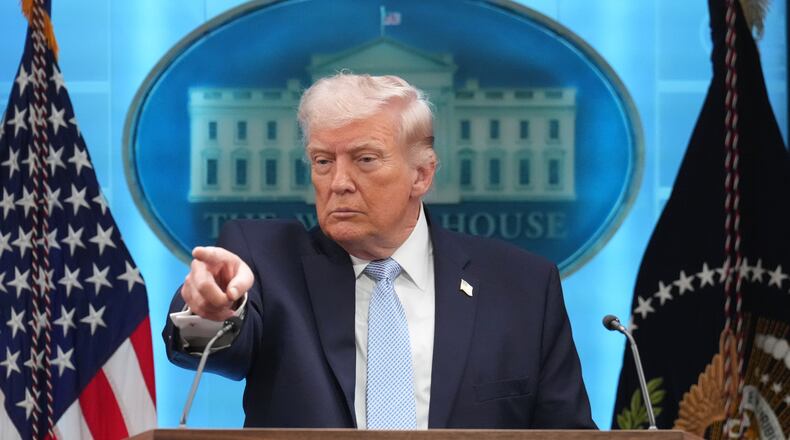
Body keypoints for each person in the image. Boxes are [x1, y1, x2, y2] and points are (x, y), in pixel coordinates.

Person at [163, 73, 596, 429]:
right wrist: (211, 310)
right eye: (323, 161)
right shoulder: (265, 261)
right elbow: (209, 345)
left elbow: (568, 434)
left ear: (421, 176)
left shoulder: (522, 287)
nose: (339, 182)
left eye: (365, 159)